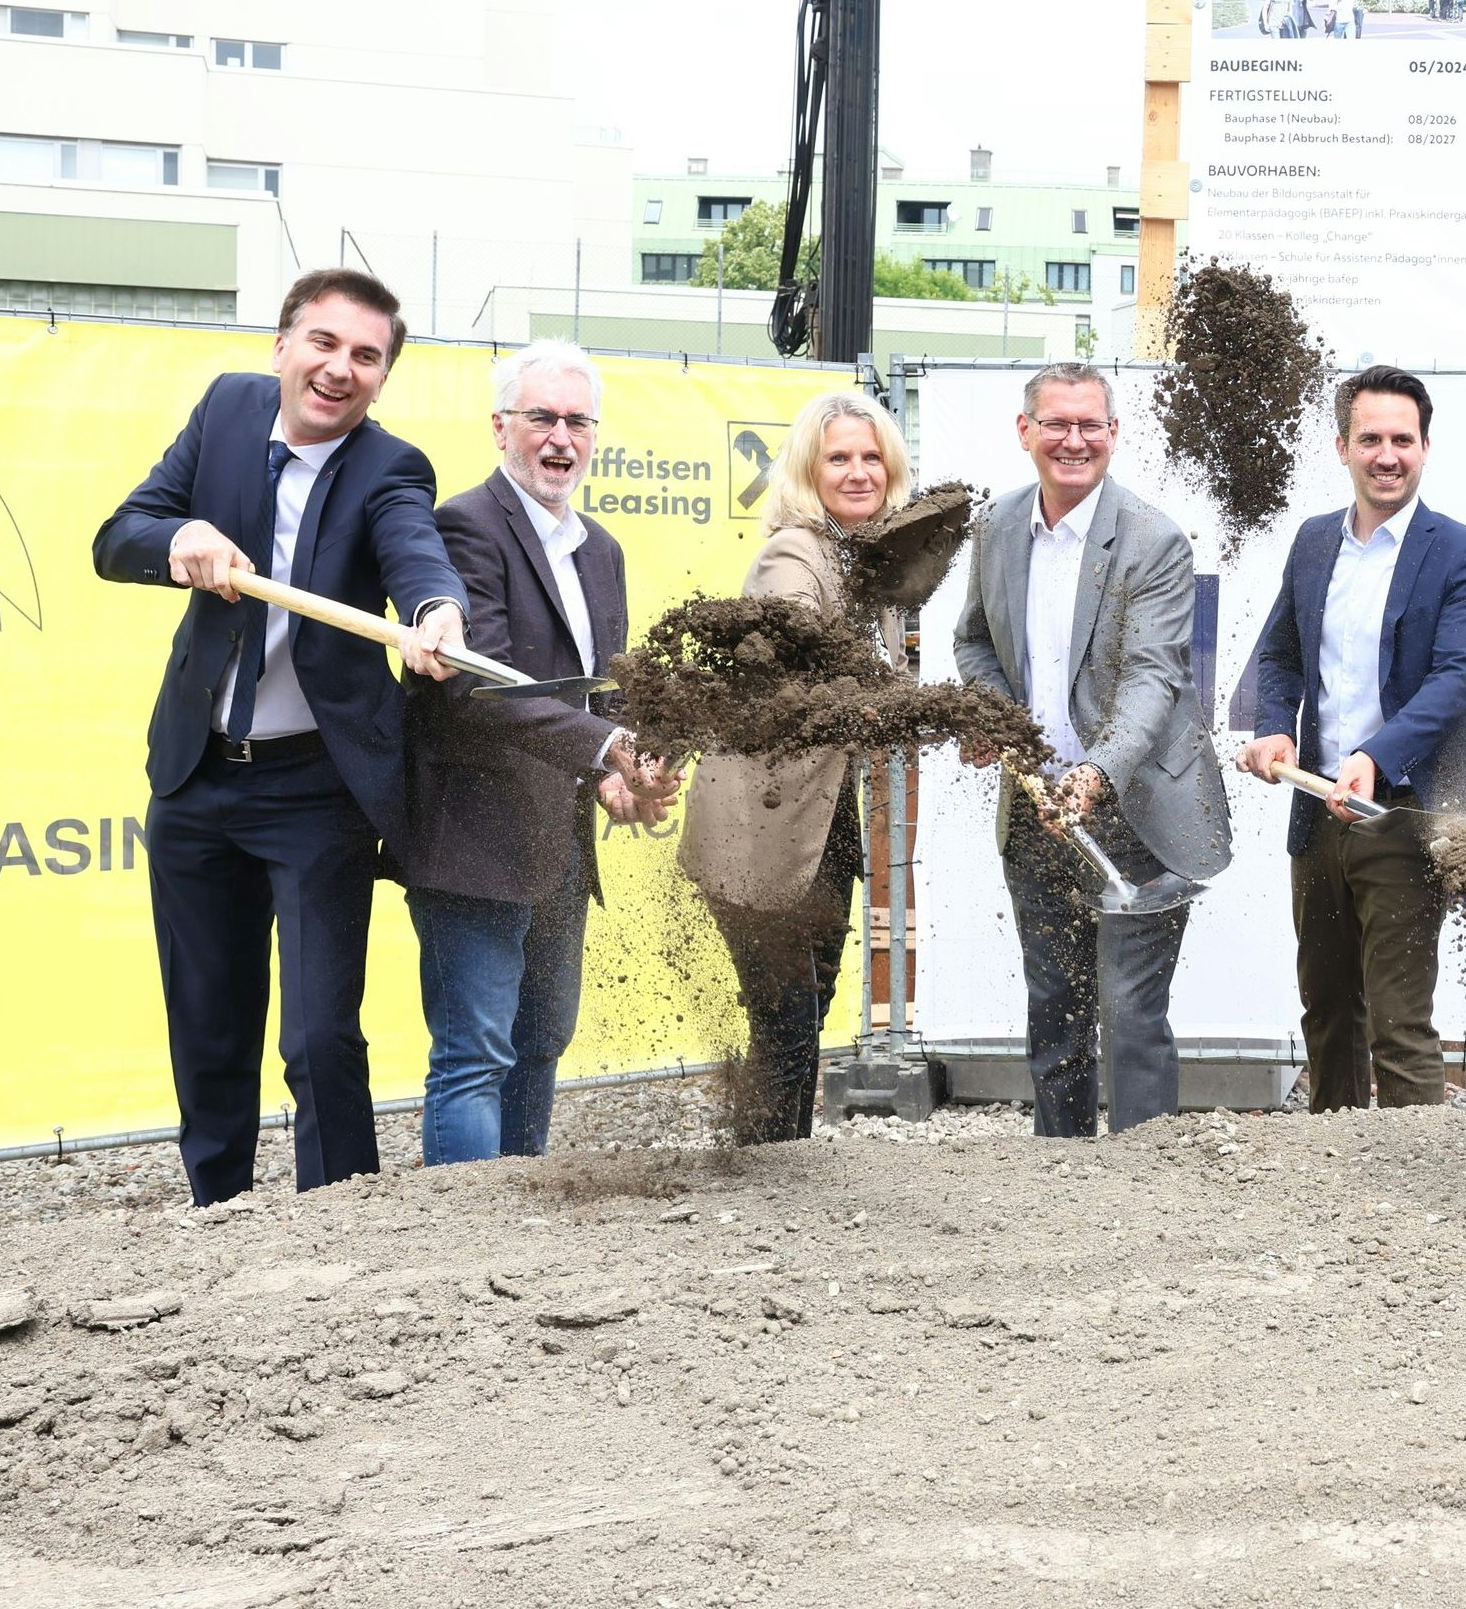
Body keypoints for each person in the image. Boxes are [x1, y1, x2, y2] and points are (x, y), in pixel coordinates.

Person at [93, 268, 469, 1204]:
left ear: (384, 377)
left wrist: (436, 611)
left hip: (316, 791)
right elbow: (118, 534)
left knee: (318, 1036)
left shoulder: (391, 467)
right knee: (209, 1024)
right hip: (197, 779)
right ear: (283, 345)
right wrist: (178, 538)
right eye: (325, 343)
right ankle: (215, 1215)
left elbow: (415, 550)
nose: (341, 368)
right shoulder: (224, 412)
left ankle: (340, 1227)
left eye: (367, 356)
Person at [397, 340, 675, 1166]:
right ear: (500, 428)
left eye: (577, 421)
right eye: (541, 418)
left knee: (542, 1041)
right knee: (474, 1056)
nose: (561, 438)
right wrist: (608, 748)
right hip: (473, 847)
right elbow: (481, 688)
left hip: (559, 849)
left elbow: (603, 690)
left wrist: (616, 785)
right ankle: (462, 1243)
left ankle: (522, 1239)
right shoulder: (465, 526)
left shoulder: (603, 550)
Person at [952, 362, 1231, 1135]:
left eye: (1089, 425)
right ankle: (1061, 1187)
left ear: (1113, 434)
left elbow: (1151, 679)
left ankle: (1145, 1189)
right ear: (1025, 432)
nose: (1073, 440)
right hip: (1036, 810)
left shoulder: (1153, 540)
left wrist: (1096, 771)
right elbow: (974, 642)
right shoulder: (996, 527)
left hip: (1136, 812)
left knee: (1133, 1014)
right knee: (1056, 1014)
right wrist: (997, 717)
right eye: (1057, 423)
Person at [1238, 367, 1466, 1109]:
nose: (1387, 455)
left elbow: (1456, 681)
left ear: (1425, 447)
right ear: (1342, 446)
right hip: (1317, 808)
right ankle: (1337, 1177)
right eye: (1371, 439)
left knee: (1398, 1019)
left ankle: (1418, 1191)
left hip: (1404, 811)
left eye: (1402, 440)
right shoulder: (1315, 540)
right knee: (1326, 1011)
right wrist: (1271, 731)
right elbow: (1282, 653)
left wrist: (1373, 755)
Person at [677, 389, 915, 1142]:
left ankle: (768, 1157)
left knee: (807, 1004)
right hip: (762, 825)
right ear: (808, 471)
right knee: (786, 1015)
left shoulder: (868, 564)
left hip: (824, 820)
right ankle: (773, 1176)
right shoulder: (796, 553)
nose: (856, 471)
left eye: (870, 456)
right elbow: (792, 652)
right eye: (837, 457)